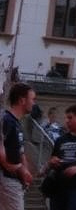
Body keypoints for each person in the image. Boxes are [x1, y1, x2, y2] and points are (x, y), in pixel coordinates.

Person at [0, 82, 35, 210]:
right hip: (7, 179)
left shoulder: (16, 123)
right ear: (22, 100)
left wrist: (24, 171)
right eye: (32, 99)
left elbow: (20, 152)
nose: (34, 103)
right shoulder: (6, 120)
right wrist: (20, 169)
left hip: (13, 180)